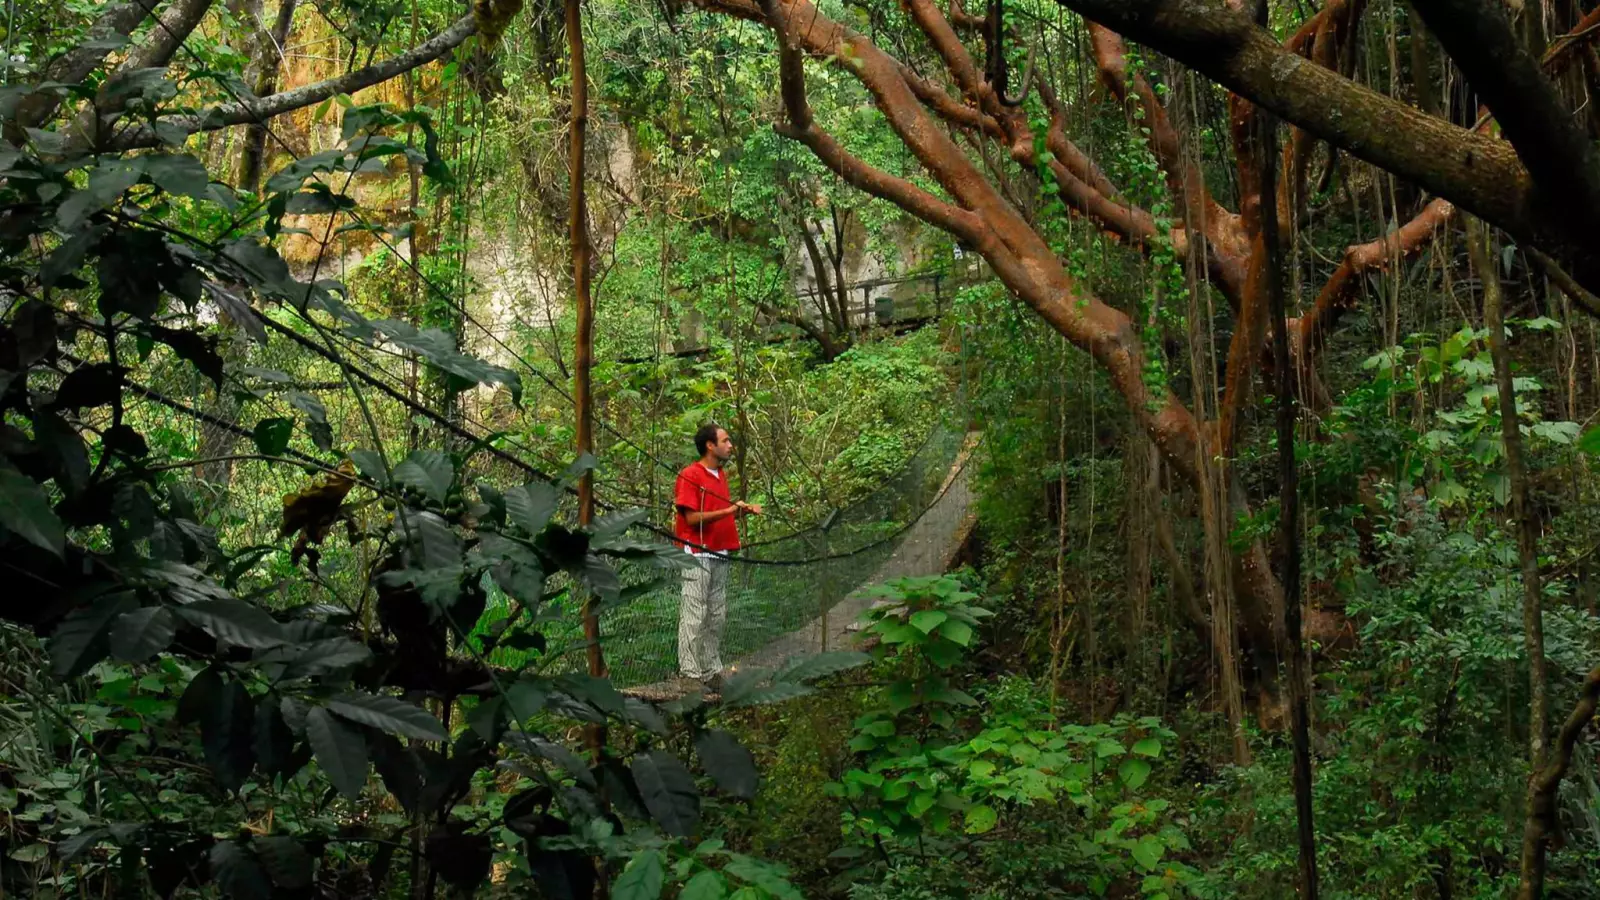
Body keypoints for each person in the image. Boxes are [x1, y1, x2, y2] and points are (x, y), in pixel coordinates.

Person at [674, 423, 761, 693]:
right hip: (697, 553)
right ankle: (689, 674)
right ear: (710, 446)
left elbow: (719, 513)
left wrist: (739, 511)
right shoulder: (691, 474)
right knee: (694, 612)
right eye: (725, 440)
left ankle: (711, 671)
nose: (730, 445)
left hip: (720, 552)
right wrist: (729, 511)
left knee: (716, 614)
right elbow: (690, 518)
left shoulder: (720, 476)